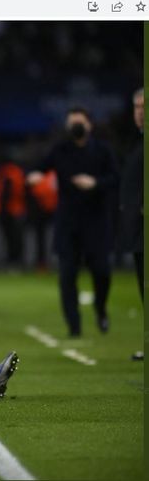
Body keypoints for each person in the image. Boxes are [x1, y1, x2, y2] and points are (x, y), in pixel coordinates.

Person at [28, 107, 119, 337]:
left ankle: (100, 308)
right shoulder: (60, 150)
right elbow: (39, 168)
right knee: (67, 275)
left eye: (79, 122)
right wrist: (35, 175)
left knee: (102, 271)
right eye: (71, 123)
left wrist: (95, 183)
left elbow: (116, 178)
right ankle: (74, 326)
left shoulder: (103, 151)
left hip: (96, 222)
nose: (75, 127)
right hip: (68, 223)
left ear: (89, 124)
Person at [118, 89, 144, 360]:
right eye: (136, 106)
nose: (140, 112)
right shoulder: (136, 143)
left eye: (144, 106)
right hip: (138, 230)